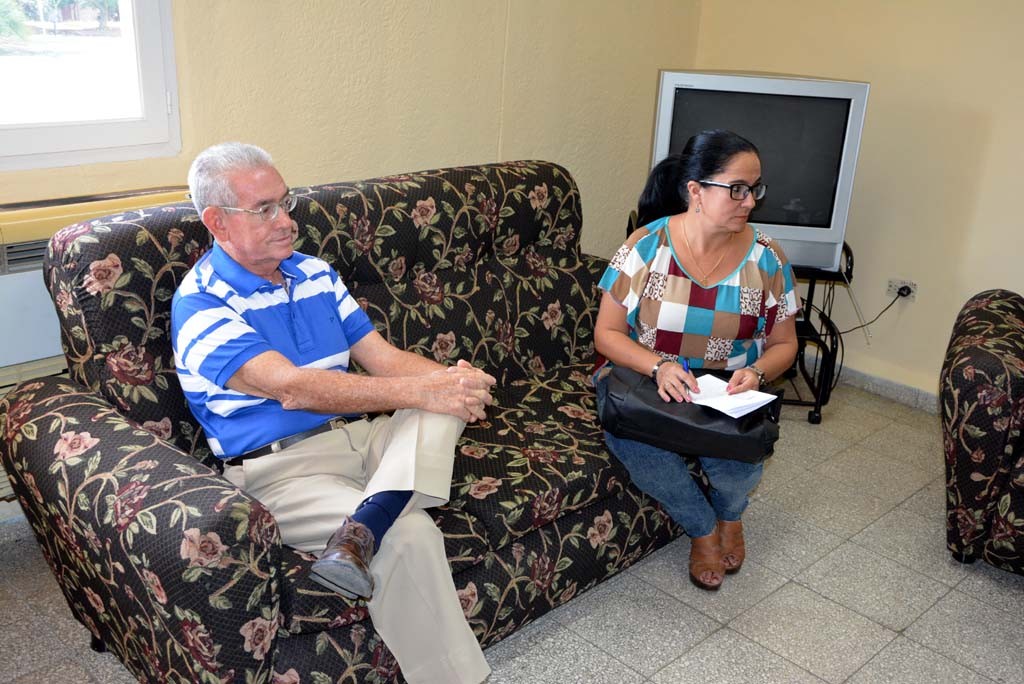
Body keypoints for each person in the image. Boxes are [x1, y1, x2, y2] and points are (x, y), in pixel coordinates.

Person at [171, 142, 495, 683]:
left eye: (285, 203)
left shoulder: (314, 273)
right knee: (412, 533)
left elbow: (383, 360)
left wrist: (453, 381)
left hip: (363, 440)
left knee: (444, 401)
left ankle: (359, 530)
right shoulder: (202, 304)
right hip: (283, 471)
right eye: (265, 210)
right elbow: (294, 389)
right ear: (217, 222)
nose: (286, 221)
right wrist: (428, 390)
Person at [593, 130, 799, 590]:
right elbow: (605, 335)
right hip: (649, 380)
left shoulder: (767, 258)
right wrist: (657, 366)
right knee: (642, 451)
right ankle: (703, 530)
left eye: (755, 188)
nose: (749, 201)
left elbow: (786, 344)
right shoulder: (646, 246)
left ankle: (731, 516)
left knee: (740, 468)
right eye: (737, 189)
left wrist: (758, 371)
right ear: (695, 192)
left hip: (727, 391)